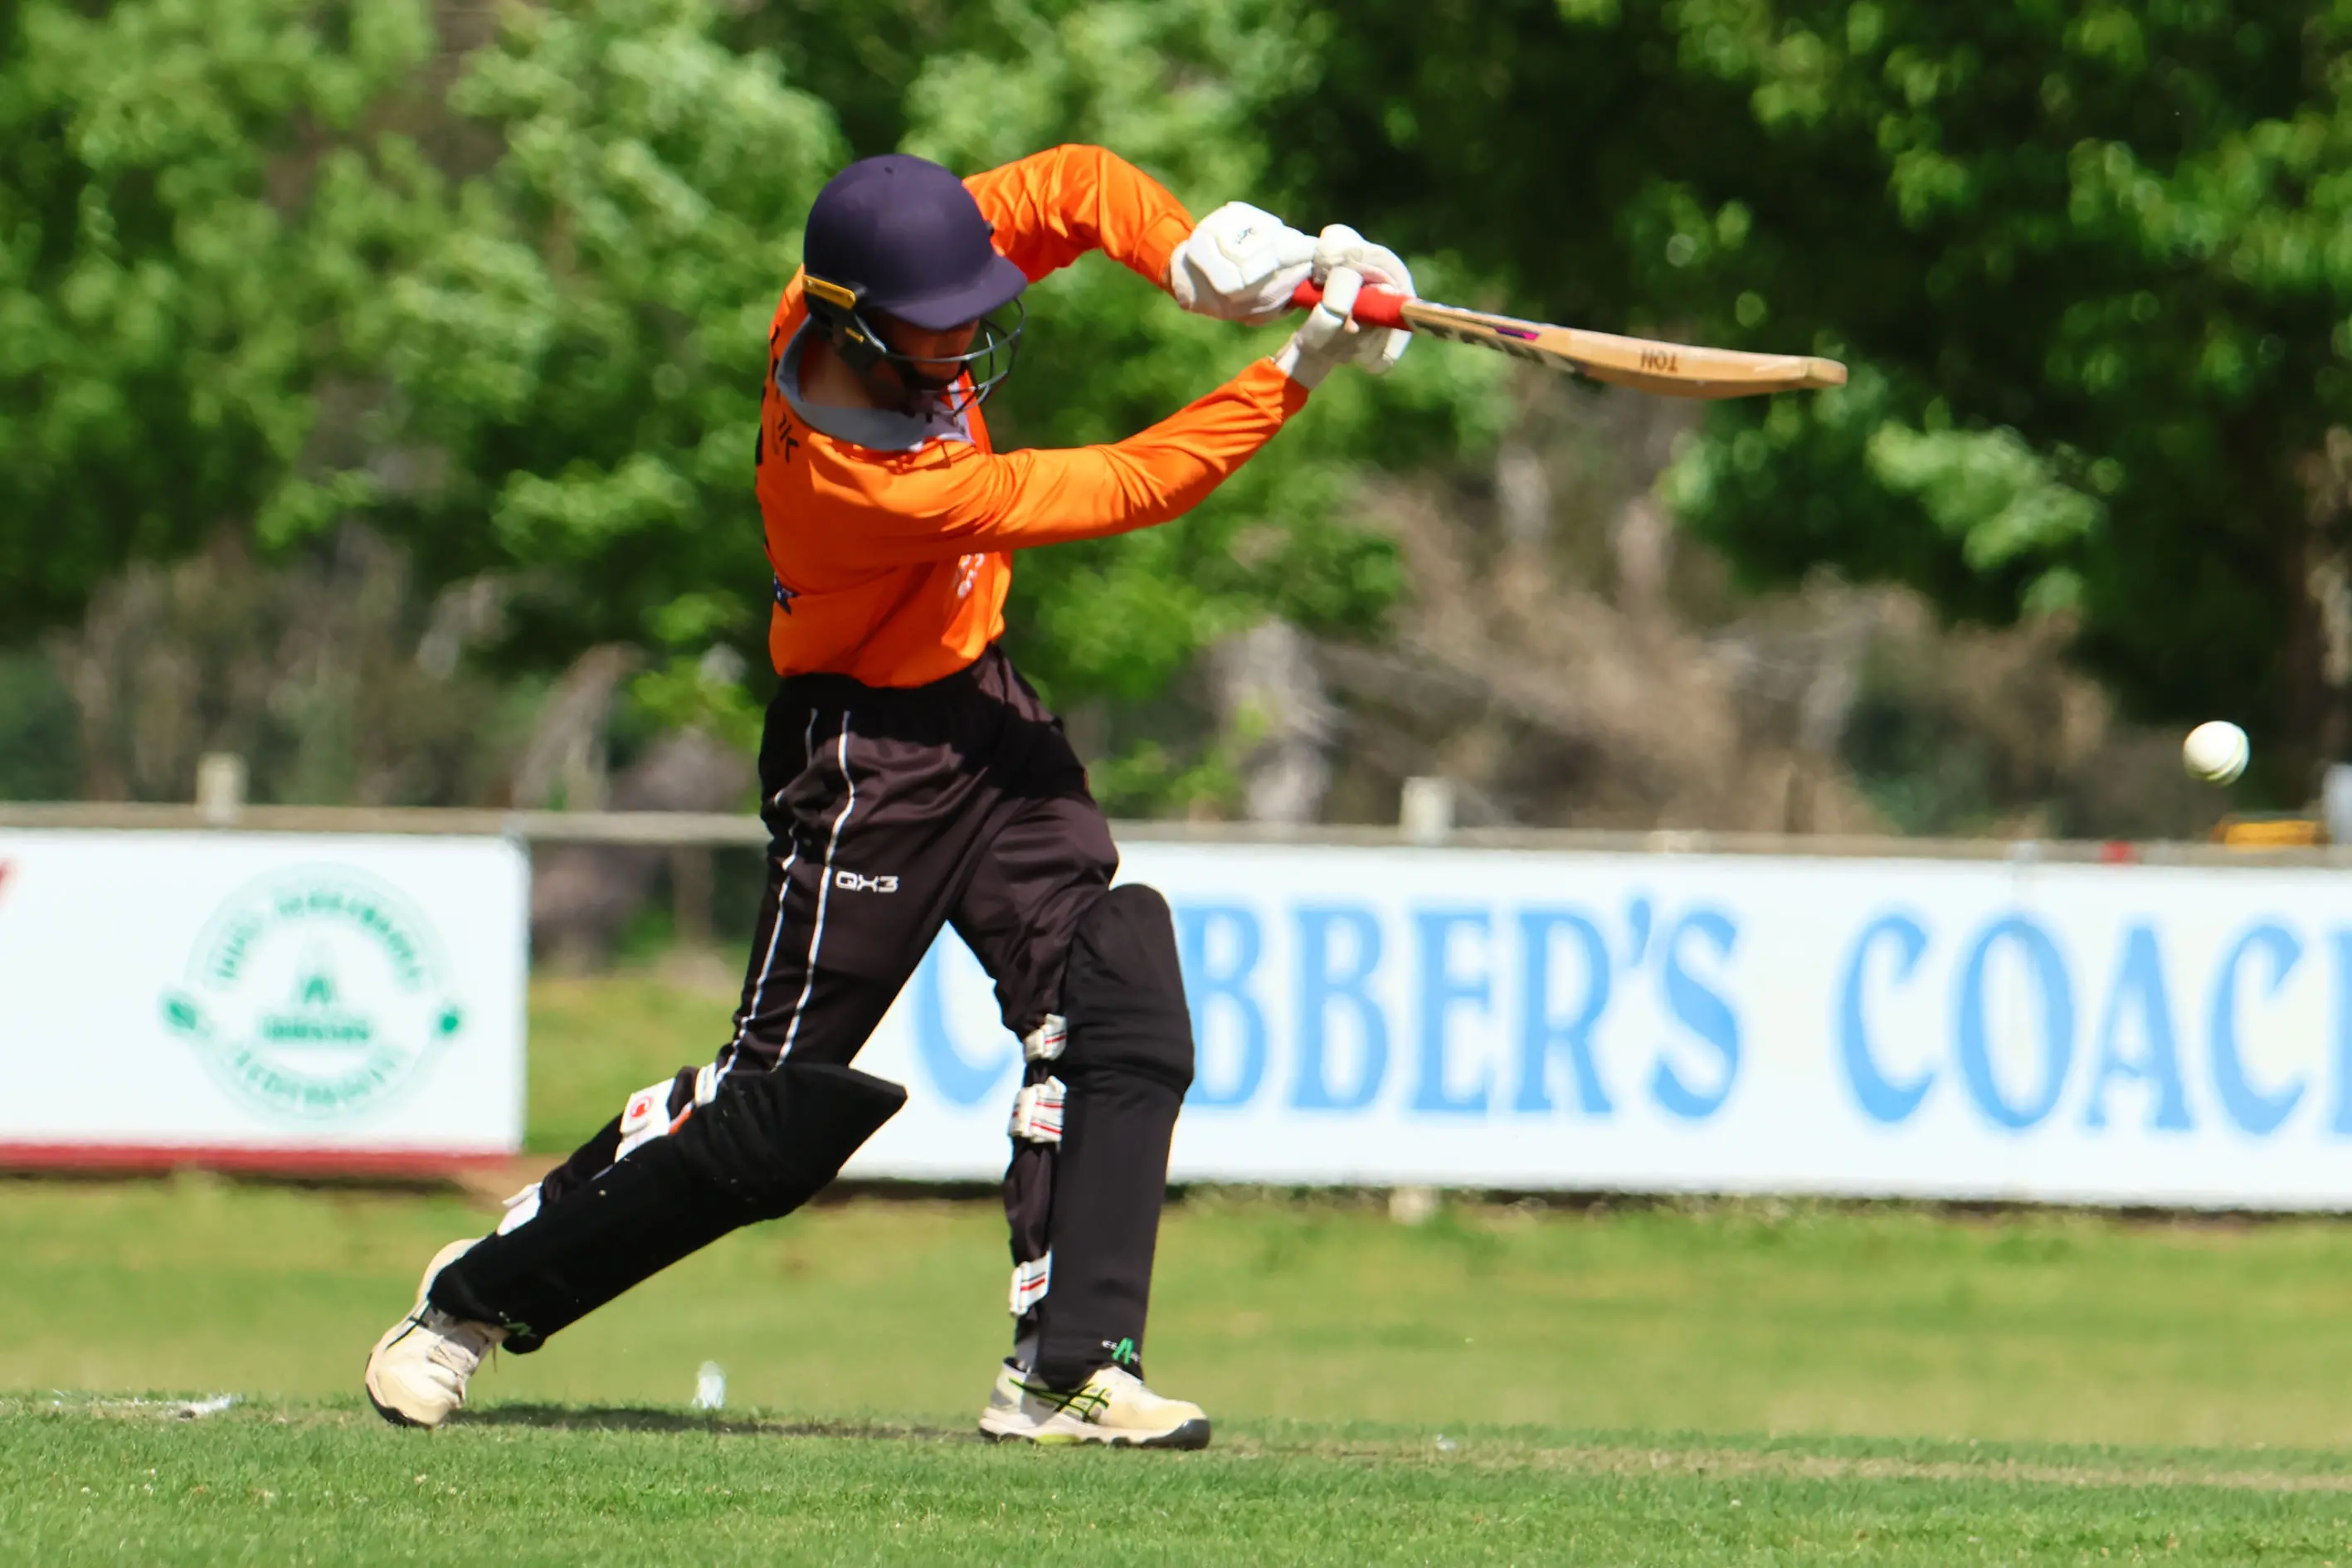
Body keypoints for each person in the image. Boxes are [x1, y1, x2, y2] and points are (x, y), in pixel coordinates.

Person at [363, 144, 1413, 1449]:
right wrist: (1296, 366)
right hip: (866, 758)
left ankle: (1069, 1370)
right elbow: (1128, 485)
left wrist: (1195, 260)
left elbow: (1074, 185)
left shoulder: (887, 279)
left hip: (987, 712)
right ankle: (465, 1304)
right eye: (941, 323)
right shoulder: (859, 474)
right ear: (857, 329)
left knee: (1118, 1000)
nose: (970, 330)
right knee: (769, 1120)